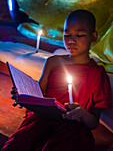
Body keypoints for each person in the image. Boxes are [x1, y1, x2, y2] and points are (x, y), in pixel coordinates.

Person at [2, 9, 112, 151]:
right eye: (67, 35)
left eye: (79, 35)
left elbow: (93, 122)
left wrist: (81, 113)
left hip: (73, 130)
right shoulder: (54, 62)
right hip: (41, 122)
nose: (71, 40)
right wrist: (22, 95)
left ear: (94, 36)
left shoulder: (98, 74)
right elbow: (38, 94)